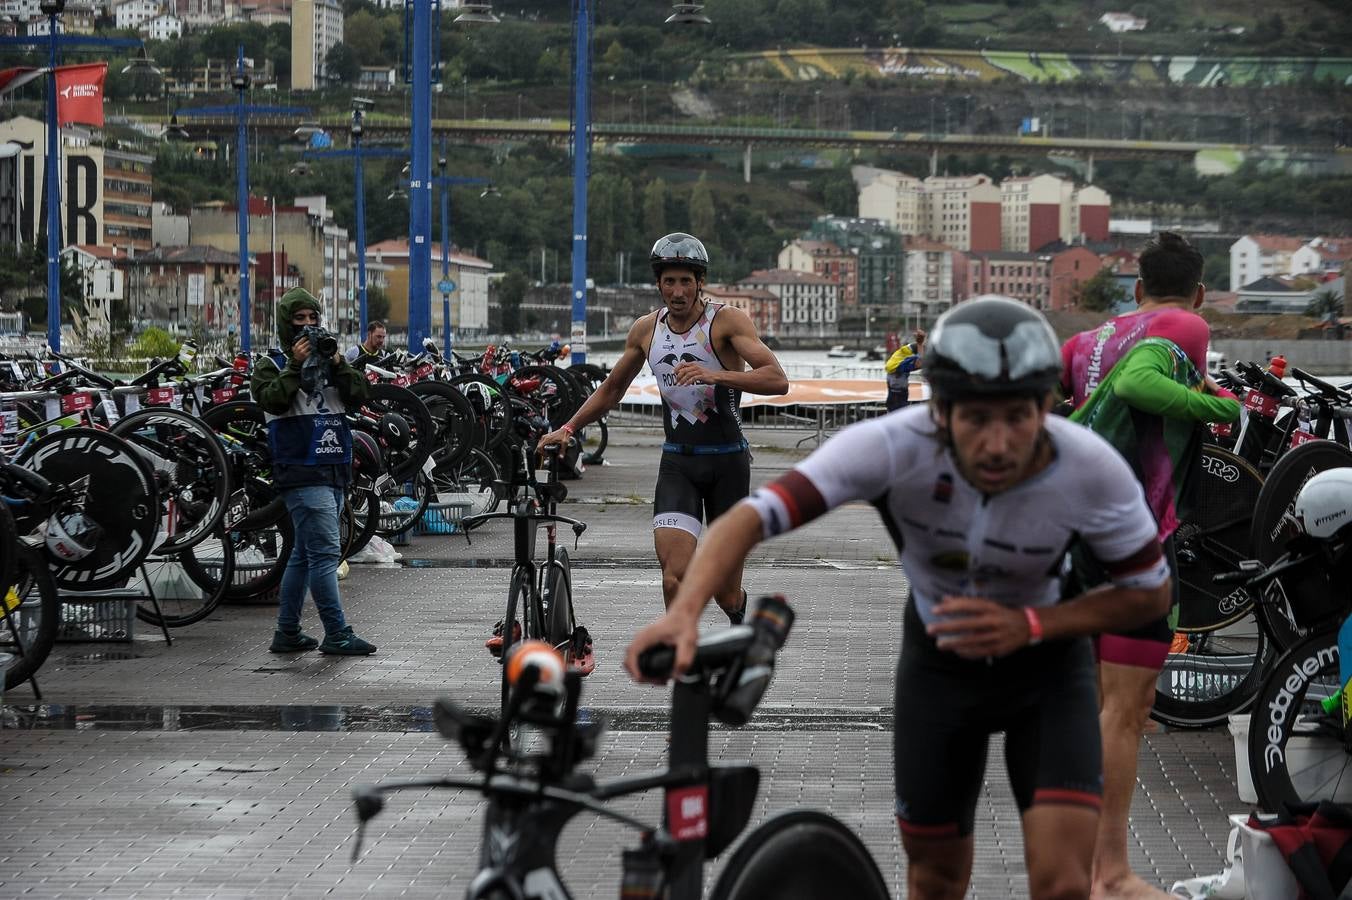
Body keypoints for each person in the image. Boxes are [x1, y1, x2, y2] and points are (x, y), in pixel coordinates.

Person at [624, 296, 1172, 900]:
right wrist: (683, 615)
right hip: (940, 668)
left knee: (1063, 882)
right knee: (935, 879)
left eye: (1018, 418)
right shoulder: (895, 445)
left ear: (1049, 406)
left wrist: (1036, 624)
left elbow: (1150, 595)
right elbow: (750, 520)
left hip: (1046, 671)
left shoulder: (1088, 466)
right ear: (937, 410)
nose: (997, 444)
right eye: (974, 419)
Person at [1060, 232, 1240, 900]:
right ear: (1198, 292)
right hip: (1134, 543)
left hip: (1070, 539)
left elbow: (1053, 399)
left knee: (1082, 704)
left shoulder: (1092, 339)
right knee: (1125, 712)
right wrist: (1220, 407)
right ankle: (1109, 874)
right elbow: (1144, 384)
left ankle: (1070, 867)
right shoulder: (1187, 325)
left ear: (1134, 289)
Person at [537, 232, 788, 623]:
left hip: (728, 464)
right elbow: (613, 388)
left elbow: (776, 379)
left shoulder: (726, 322)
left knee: (724, 591)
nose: (677, 290)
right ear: (658, 284)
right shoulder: (645, 330)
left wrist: (715, 375)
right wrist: (567, 428)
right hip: (679, 466)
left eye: (686, 281)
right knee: (675, 576)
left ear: (700, 282)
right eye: (669, 281)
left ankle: (738, 618)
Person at [253, 288, 377, 656]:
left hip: (335, 467)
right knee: (325, 554)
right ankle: (337, 632)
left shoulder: (331, 361)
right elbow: (271, 398)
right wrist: (295, 365)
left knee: (304, 556)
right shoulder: (271, 364)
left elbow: (360, 395)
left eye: (312, 319)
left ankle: (287, 632)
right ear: (284, 324)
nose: (307, 327)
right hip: (300, 470)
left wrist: (339, 364)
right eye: (298, 320)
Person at [884, 328, 926, 412]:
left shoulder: (898, 357)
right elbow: (920, 363)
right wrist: (920, 344)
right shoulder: (901, 362)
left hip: (894, 394)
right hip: (898, 397)